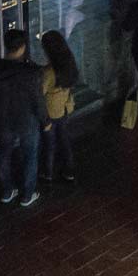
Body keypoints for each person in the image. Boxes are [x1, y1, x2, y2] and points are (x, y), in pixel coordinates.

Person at [0, 28, 48, 205]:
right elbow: (38, 102)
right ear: (23, 47)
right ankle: (27, 194)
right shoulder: (31, 72)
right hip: (27, 121)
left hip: (3, 119)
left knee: (5, 153)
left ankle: (7, 190)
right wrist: (46, 121)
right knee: (30, 155)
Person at [39, 29, 79, 184]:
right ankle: (69, 171)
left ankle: (48, 173)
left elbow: (40, 93)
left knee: (49, 146)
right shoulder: (69, 65)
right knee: (64, 142)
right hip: (63, 110)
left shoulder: (48, 72)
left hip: (49, 115)